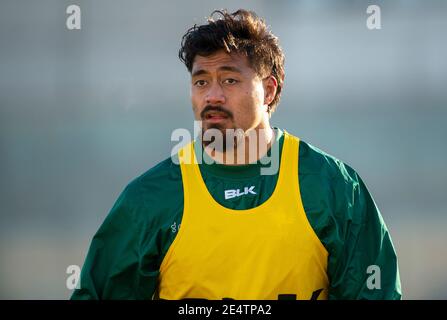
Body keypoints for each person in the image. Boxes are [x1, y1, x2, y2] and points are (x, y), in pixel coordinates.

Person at [71, 9, 401, 300]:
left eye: (229, 80)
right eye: (201, 82)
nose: (212, 96)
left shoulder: (334, 189)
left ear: (269, 90)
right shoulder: (150, 199)